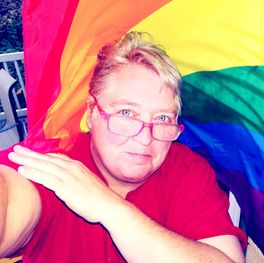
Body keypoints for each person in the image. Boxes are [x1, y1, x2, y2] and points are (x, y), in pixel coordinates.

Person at [0, 31, 246, 262]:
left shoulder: (186, 168)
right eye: (126, 113)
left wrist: (111, 209)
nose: (145, 138)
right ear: (92, 112)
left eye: (162, 118)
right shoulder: (51, 162)